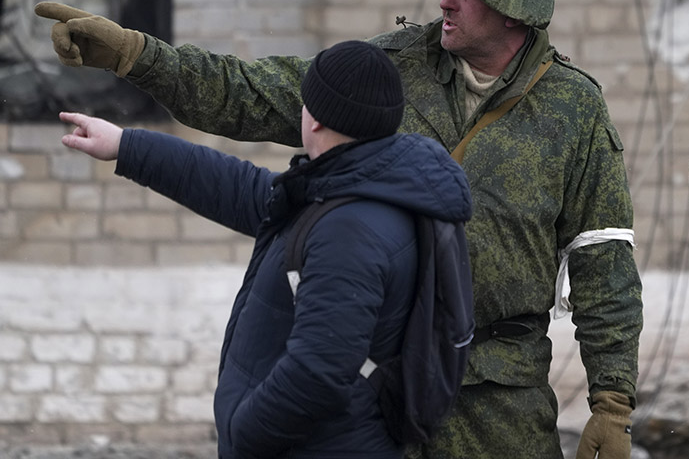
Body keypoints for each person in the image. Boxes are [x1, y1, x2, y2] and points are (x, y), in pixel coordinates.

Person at [35, 0, 642, 459]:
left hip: (499, 400)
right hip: (384, 390)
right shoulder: (388, 69)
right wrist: (137, 56)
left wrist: (612, 402)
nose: (444, 0)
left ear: (513, 13)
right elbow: (253, 92)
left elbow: (602, 261)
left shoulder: (573, 111)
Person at [58, 39, 474, 458]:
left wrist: (245, 432)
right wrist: (126, 146)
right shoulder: (352, 188)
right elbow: (239, 188)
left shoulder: (351, 228)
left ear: (312, 120)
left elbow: (319, 371)